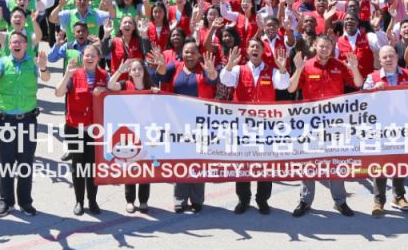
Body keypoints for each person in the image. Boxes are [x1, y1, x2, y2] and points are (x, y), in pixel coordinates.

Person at [287, 34, 363, 217]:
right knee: (309, 162)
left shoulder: (339, 65)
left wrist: (354, 68)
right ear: (315, 45)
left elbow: (359, 84)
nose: (324, 49)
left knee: (335, 162)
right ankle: (305, 201)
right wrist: (298, 70)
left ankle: (340, 201)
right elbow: (290, 89)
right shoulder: (306, 65)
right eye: (321, 46)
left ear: (332, 48)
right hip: (310, 122)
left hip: (334, 124)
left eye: (328, 46)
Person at [220, 38, 291, 214]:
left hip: (266, 126)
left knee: (265, 164)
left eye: (258, 47)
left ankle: (262, 200)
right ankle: (243, 200)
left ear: (263, 51)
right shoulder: (238, 69)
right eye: (252, 46)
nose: (254, 49)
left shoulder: (272, 70)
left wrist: (282, 68)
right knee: (243, 163)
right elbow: (226, 80)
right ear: (247, 50)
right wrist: (229, 64)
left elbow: (283, 84)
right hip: (243, 126)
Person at [150, 39, 219, 212]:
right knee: (181, 162)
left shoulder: (205, 68)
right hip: (178, 123)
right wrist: (160, 65)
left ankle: (197, 200)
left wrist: (211, 72)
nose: (190, 55)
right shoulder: (176, 66)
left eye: (193, 52)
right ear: (183, 54)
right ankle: (180, 199)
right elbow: (160, 76)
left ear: (199, 55)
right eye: (187, 52)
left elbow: (212, 81)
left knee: (197, 162)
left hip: (200, 124)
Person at [0, 31, 50, 217]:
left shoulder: (33, 62)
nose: (16, 44)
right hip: (6, 120)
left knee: (25, 163)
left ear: (25, 45)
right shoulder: (3, 62)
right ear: (9, 45)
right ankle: (6, 202)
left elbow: (45, 78)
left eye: (19, 42)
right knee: (6, 163)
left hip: (28, 120)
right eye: (13, 42)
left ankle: (25, 202)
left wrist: (44, 67)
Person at [361, 44, 408, 216]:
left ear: (397, 57)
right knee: (380, 163)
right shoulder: (373, 77)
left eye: (391, 56)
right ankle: (379, 200)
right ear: (380, 60)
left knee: (399, 162)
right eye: (384, 57)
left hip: (402, 126)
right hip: (380, 127)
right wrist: (373, 92)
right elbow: (363, 100)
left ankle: (399, 197)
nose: (388, 59)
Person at [56, 43, 108, 215]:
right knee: (78, 166)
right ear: (81, 57)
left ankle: (92, 200)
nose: (90, 58)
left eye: (93, 55)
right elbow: (58, 93)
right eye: (86, 55)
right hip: (75, 129)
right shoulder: (74, 74)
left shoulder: (104, 75)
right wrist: (66, 75)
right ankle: (79, 201)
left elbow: (113, 96)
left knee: (92, 168)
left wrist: (106, 89)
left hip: (95, 131)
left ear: (98, 58)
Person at [108, 56, 157, 213]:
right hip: (128, 133)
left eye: (139, 69)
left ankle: (143, 200)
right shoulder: (125, 84)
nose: (136, 72)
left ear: (144, 71)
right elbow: (110, 85)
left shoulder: (150, 86)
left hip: (145, 132)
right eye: (133, 69)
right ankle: (130, 200)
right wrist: (119, 71)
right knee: (129, 164)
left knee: (144, 166)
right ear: (130, 72)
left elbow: (160, 105)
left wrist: (157, 93)